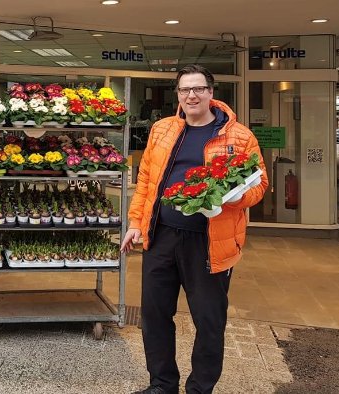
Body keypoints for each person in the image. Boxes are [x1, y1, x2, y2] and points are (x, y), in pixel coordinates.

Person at [121, 64, 268, 394]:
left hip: (209, 242)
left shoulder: (239, 136)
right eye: (185, 89)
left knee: (208, 321)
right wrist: (135, 222)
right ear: (178, 94)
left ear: (211, 92)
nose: (192, 95)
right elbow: (146, 181)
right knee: (155, 316)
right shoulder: (162, 130)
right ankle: (162, 385)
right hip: (161, 236)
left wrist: (231, 196)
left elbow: (260, 185)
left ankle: (200, 388)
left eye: (198, 88)